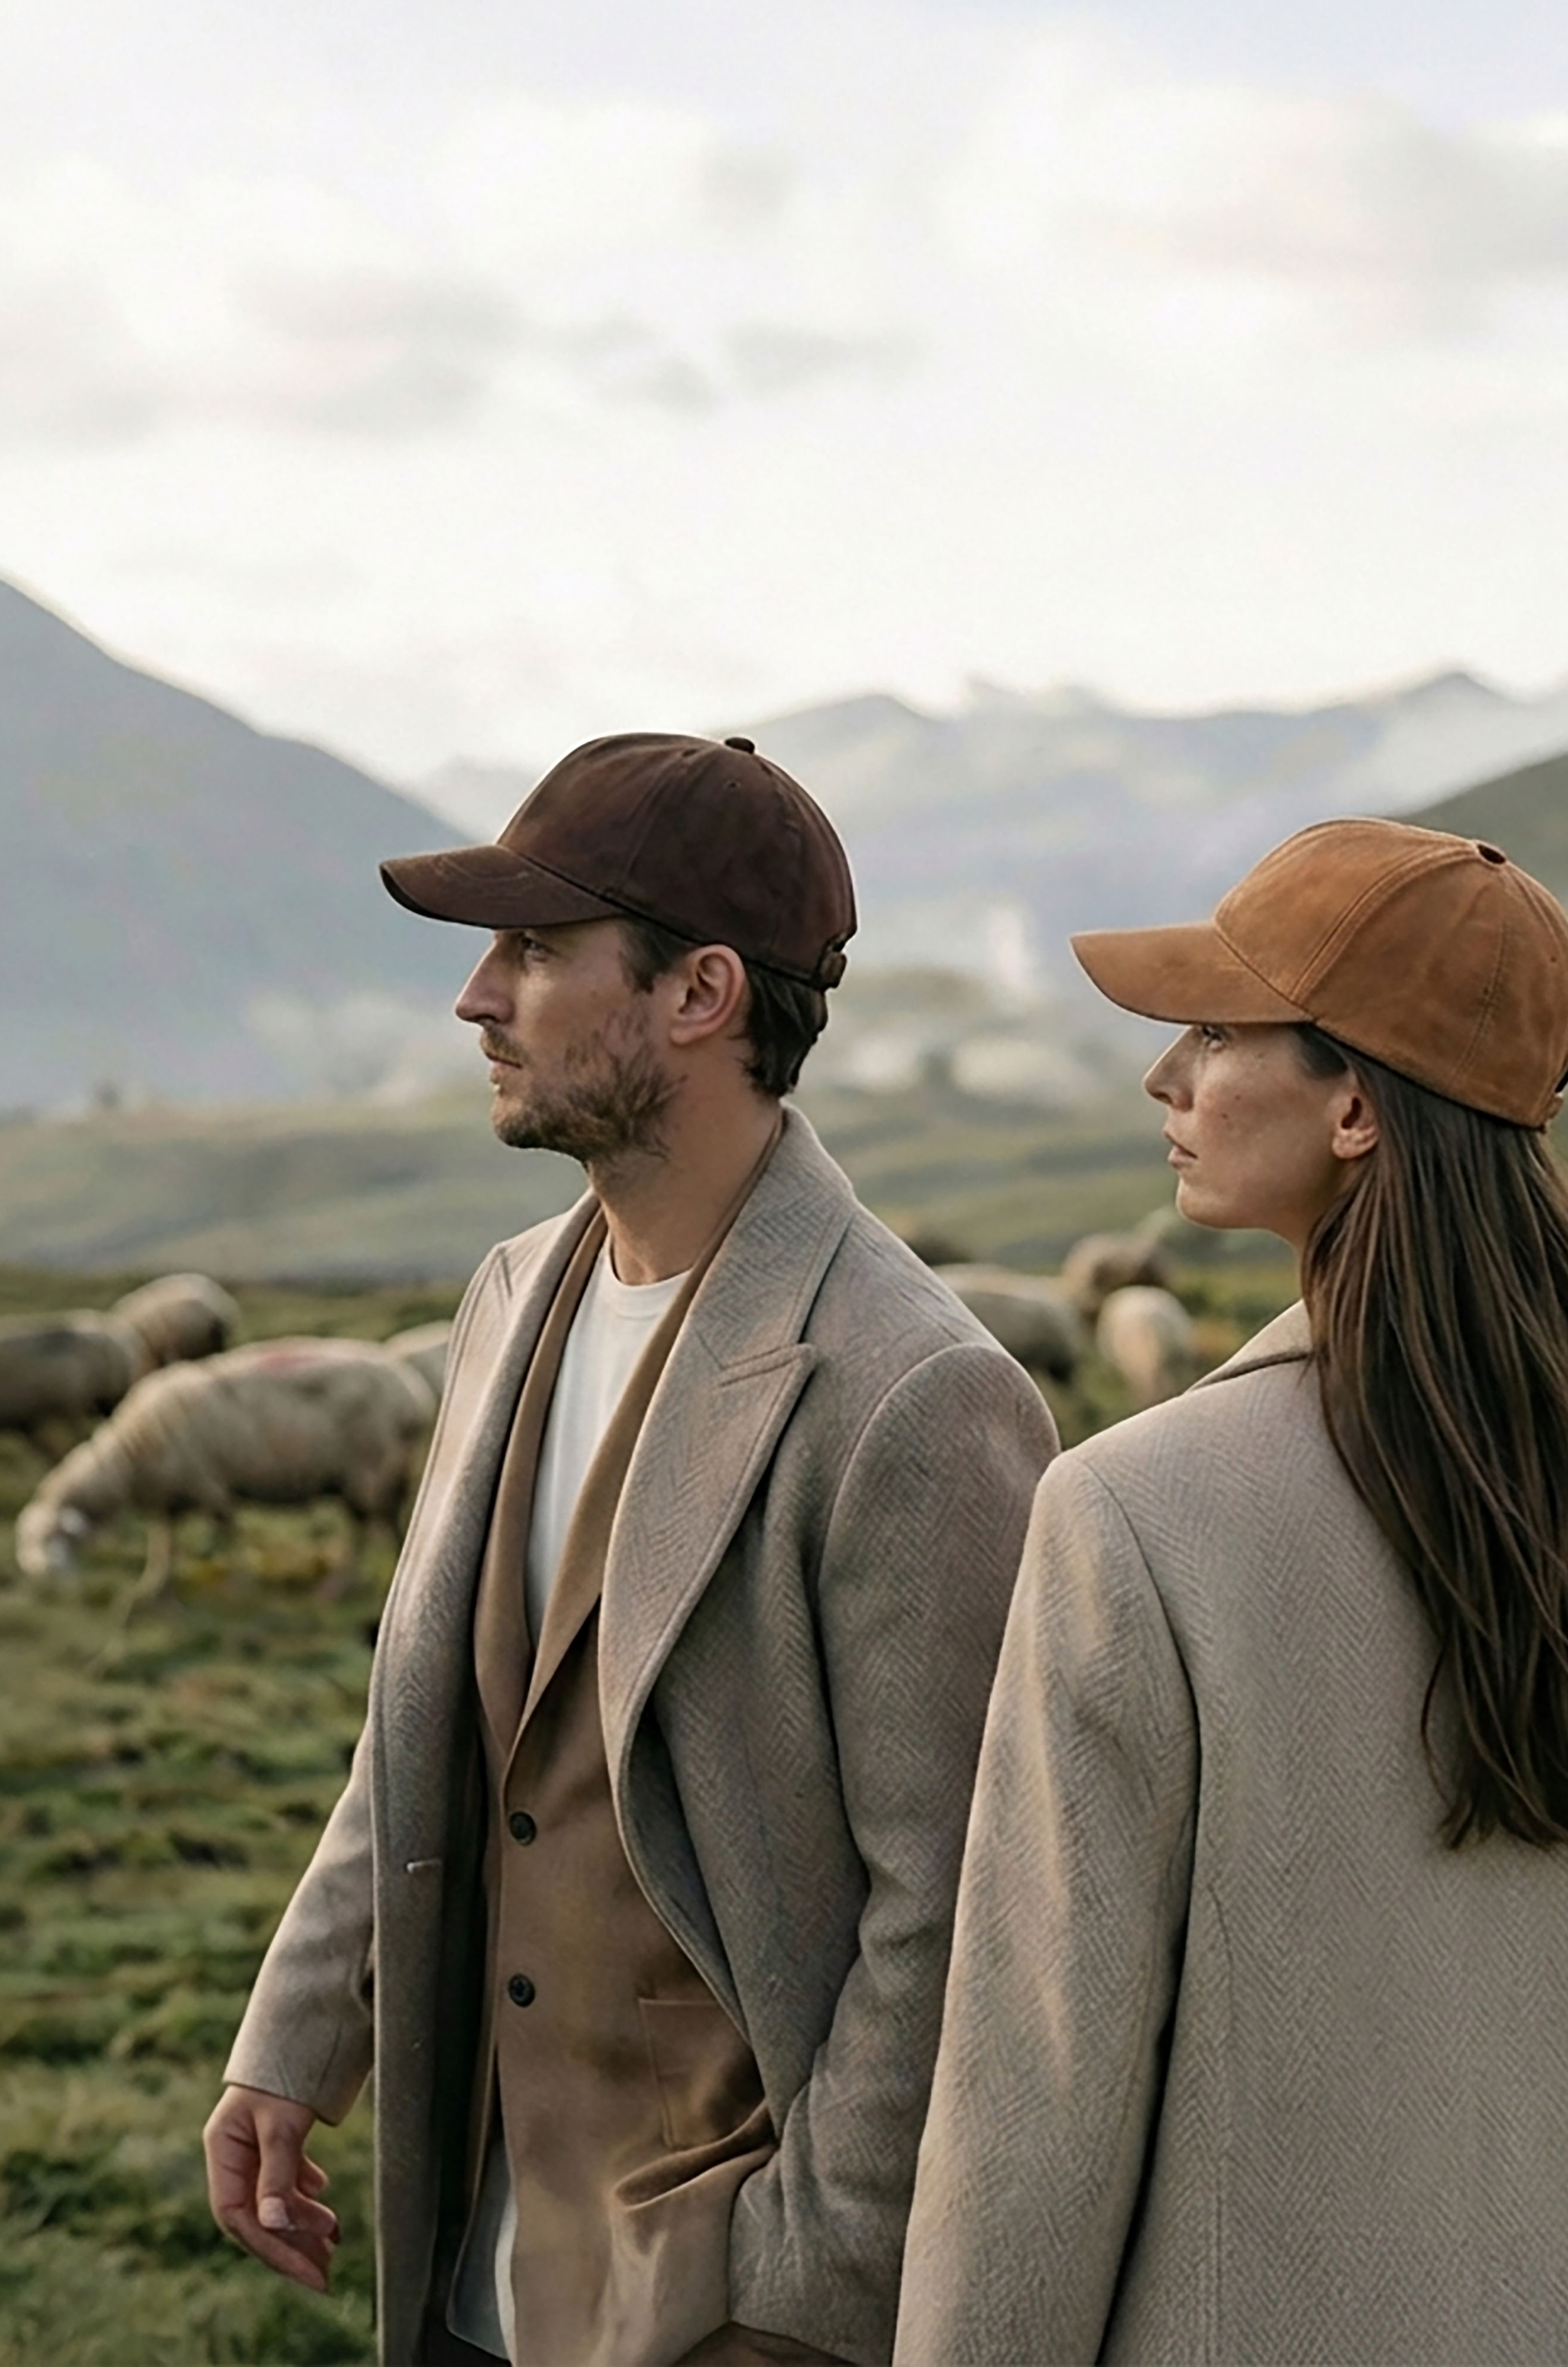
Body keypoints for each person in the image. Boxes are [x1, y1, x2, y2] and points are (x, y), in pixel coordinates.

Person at [895, 818, 1568, 2367]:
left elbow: (1035, 2125)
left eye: (1213, 1029)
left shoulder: (1132, 1516)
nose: (1167, 1076)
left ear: (1352, 1102)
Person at [205, 732, 1058, 2367]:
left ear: (700, 993)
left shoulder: (916, 1390)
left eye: (533, 950)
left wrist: (803, 2297)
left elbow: (955, 1913)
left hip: (708, 2301)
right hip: (472, 2269)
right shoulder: (510, 1295)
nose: (476, 997)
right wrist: (296, 2039)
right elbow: (431, 1722)